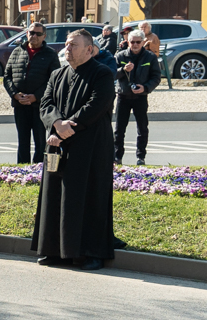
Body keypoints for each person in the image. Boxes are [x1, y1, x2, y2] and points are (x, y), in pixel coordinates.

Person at [33, 30, 116, 271]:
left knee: (90, 197)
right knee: (56, 196)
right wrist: (57, 123)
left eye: (74, 45)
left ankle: (91, 253)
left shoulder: (102, 73)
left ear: (89, 49)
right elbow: (46, 104)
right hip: (59, 144)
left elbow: (97, 105)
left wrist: (65, 128)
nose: (67, 49)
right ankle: (55, 251)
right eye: (67, 44)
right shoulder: (57, 74)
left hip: (91, 146)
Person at [3, 21, 59, 164]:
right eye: (31, 33)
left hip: (40, 106)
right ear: (27, 33)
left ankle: (38, 168)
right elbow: (7, 76)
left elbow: (54, 81)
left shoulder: (50, 54)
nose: (34, 36)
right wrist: (15, 94)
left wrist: (36, 97)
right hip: (20, 104)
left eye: (38, 34)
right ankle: (23, 167)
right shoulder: (17, 51)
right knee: (22, 140)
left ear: (44, 36)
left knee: (40, 141)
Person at [114, 28, 161, 166]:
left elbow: (156, 77)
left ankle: (141, 157)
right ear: (128, 42)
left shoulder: (150, 57)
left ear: (142, 42)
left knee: (142, 128)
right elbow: (112, 74)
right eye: (132, 42)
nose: (135, 45)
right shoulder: (120, 56)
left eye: (138, 42)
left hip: (140, 97)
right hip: (123, 96)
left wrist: (145, 88)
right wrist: (123, 70)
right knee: (119, 129)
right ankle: (117, 157)